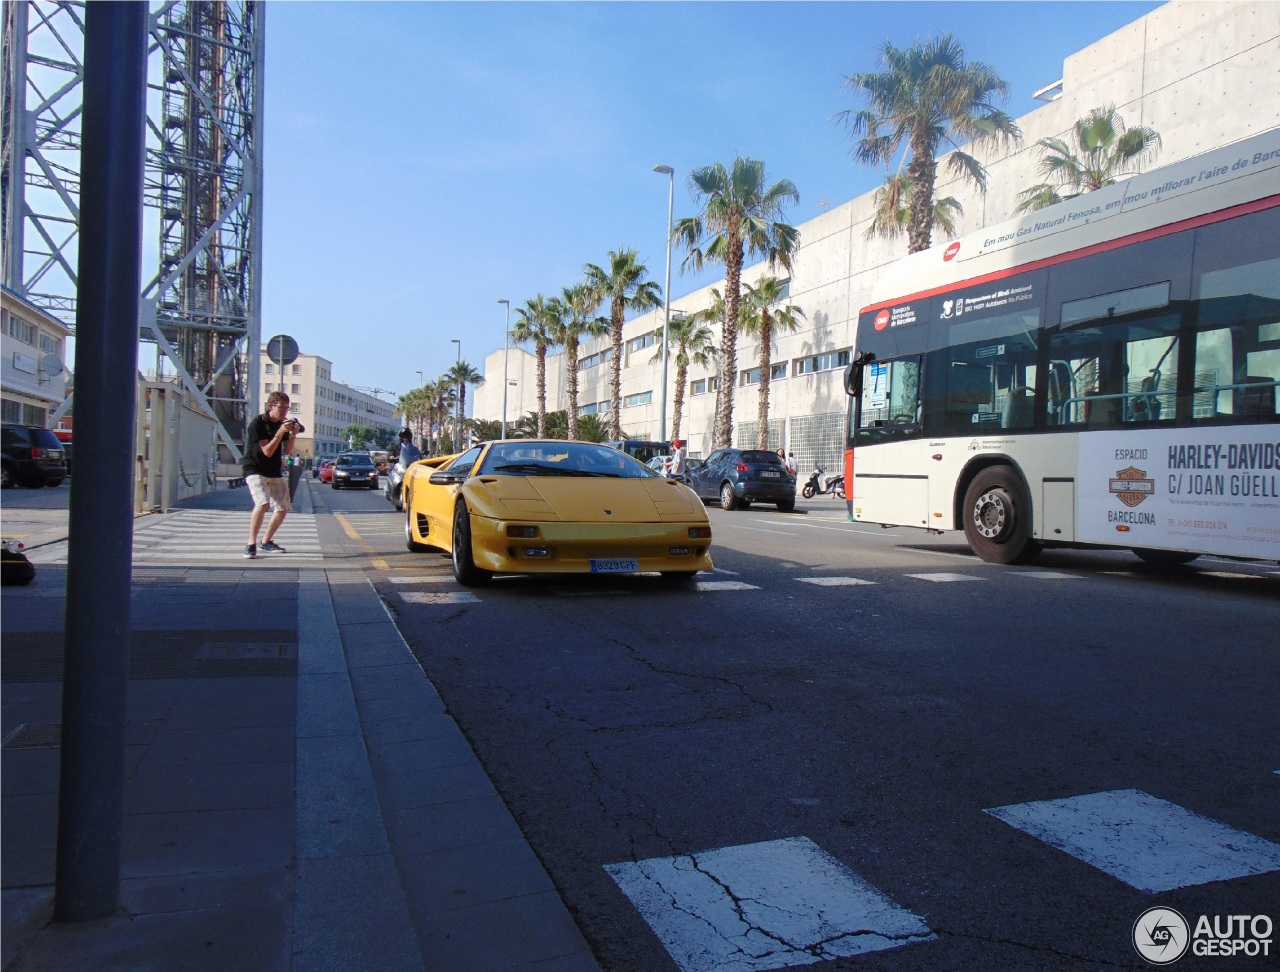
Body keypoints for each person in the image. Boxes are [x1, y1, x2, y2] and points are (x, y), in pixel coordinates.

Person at [243, 391, 298, 559]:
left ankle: (266, 541)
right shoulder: (258, 423)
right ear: (270, 406)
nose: (284, 412)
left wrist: (293, 434)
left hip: (273, 471)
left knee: (283, 506)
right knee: (263, 503)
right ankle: (250, 544)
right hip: (255, 469)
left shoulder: (282, 424)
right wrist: (280, 432)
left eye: (287, 408)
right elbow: (267, 451)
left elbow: (287, 451)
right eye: (281, 408)